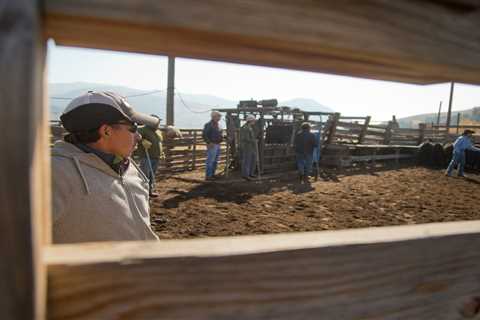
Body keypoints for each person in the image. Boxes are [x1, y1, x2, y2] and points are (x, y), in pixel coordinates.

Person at [51, 91, 160, 243]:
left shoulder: (129, 167)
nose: (139, 136)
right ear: (106, 131)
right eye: (133, 128)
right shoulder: (54, 174)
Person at [135, 115, 164, 198]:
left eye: (159, 121)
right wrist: (142, 140)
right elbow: (135, 135)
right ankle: (142, 192)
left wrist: (161, 152)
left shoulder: (158, 131)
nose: (158, 123)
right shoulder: (142, 129)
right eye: (157, 121)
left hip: (156, 157)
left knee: (152, 175)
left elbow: (159, 142)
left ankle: (149, 191)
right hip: (146, 157)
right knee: (145, 175)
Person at [202, 111, 223, 180]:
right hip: (212, 144)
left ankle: (212, 174)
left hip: (217, 144)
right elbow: (204, 135)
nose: (219, 118)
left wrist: (224, 137)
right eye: (218, 116)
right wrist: (209, 142)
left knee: (215, 160)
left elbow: (219, 134)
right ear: (214, 116)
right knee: (210, 160)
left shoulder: (218, 125)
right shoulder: (209, 124)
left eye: (219, 116)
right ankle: (208, 176)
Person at [239, 115, 257, 181]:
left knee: (253, 160)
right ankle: (245, 175)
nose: (254, 122)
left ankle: (250, 173)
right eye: (254, 120)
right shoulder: (245, 128)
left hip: (251, 146)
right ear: (250, 121)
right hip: (247, 146)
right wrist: (254, 140)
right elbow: (246, 138)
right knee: (247, 161)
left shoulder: (249, 127)